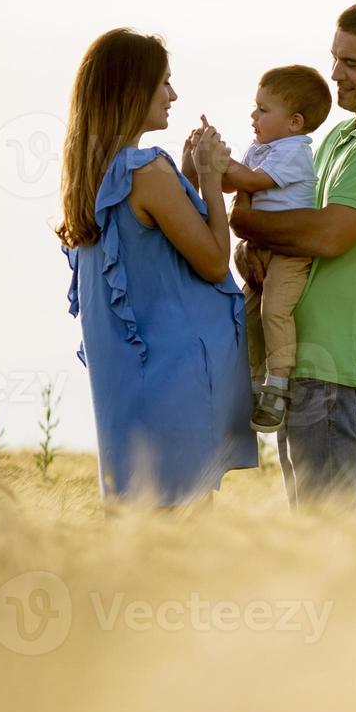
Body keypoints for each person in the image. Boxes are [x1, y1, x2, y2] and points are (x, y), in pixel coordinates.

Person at [230, 0, 356, 511]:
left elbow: (327, 235)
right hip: (311, 364)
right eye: (335, 58)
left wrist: (244, 221)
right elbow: (293, 222)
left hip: (342, 368)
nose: (335, 75)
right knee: (313, 542)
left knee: (333, 545)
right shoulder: (342, 136)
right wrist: (249, 250)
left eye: (352, 63)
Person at [56, 28, 257, 507]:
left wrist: (185, 176)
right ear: (132, 89)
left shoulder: (92, 177)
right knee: (184, 533)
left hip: (126, 390)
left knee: (142, 532)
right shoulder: (146, 171)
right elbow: (210, 262)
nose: (173, 94)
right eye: (164, 82)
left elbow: (155, 247)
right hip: (173, 382)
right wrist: (209, 180)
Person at [221, 65, 334, 433]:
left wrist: (222, 163)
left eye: (263, 110)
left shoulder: (293, 152)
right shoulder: (262, 148)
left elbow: (251, 182)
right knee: (248, 313)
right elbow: (233, 187)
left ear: (294, 122)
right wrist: (213, 158)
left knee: (275, 312)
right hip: (261, 247)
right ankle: (254, 383)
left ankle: (278, 386)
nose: (253, 116)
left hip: (289, 253)